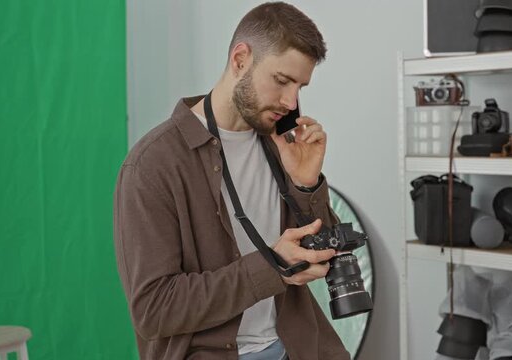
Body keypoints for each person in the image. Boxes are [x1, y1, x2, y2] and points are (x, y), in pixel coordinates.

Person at [113, 2, 350, 359]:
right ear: (240, 60)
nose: (290, 101)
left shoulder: (281, 145)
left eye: (299, 87)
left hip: (296, 348)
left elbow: (328, 253)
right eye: (282, 81)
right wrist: (271, 266)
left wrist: (307, 185)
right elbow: (153, 310)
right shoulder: (151, 166)